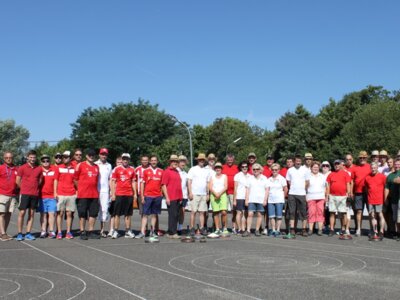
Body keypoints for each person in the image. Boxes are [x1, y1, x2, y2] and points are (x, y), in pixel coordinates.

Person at [16, 150, 43, 241]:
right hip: (24, 194)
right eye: (31, 157)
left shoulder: (39, 168)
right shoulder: (22, 168)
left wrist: (34, 188)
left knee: (31, 214)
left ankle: (28, 233)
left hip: (34, 194)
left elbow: (39, 181)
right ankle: (20, 233)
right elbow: (18, 181)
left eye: (34, 157)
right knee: (22, 213)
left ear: (36, 158)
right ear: (27, 158)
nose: (32, 159)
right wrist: (24, 188)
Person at [74, 149, 100, 240]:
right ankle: (82, 231)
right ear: (86, 156)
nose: (91, 156)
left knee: (93, 214)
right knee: (82, 213)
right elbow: (75, 179)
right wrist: (80, 188)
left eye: (93, 155)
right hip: (83, 194)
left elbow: (96, 181)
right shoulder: (80, 165)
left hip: (94, 194)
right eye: (90, 155)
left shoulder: (97, 166)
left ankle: (90, 231)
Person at [110, 153, 136, 239]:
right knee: (117, 214)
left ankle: (128, 230)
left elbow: (133, 182)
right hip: (119, 194)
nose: (125, 160)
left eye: (127, 159)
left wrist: (135, 193)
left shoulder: (132, 169)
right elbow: (113, 181)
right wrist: (113, 193)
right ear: (122, 159)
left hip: (129, 194)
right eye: (124, 159)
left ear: (129, 160)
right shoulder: (116, 169)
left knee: (128, 214)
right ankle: (116, 231)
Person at [138, 155, 163, 240]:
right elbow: (142, 184)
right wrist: (142, 196)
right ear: (150, 162)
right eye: (152, 160)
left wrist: (162, 194)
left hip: (157, 196)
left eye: (155, 160)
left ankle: (152, 231)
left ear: (157, 161)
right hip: (148, 196)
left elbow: (163, 185)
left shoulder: (161, 171)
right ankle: (142, 232)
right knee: (145, 214)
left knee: (154, 215)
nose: (153, 162)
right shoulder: (146, 171)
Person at [285, 155, 310, 237]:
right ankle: (292, 229)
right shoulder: (290, 170)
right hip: (292, 193)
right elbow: (289, 182)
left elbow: (307, 182)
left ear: (301, 161)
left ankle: (304, 229)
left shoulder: (305, 170)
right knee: (292, 212)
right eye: (296, 161)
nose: (298, 162)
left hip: (302, 194)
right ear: (294, 161)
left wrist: (303, 189)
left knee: (303, 212)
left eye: (299, 161)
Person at [326, 160, 352, 239]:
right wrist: (327, 195)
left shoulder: (345, 174)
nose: (336, 165)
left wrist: (348, 194)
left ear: (341, 165)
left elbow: (348, 184)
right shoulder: (331, 174)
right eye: (335, 164)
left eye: (338, 164)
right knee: (332, 213)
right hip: (332, 196)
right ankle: (331, 229)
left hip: (343, 196)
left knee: (343, 213)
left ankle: (343, 229)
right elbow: (328, 185)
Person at [54, 151, 77, 239]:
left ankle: (68, 232)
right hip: (60, 193)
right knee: (60, 213)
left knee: (69, 214)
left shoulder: (73, 168)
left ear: (70, 158)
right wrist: (55, 192)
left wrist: (76, 192)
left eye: (67, 157)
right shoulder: (58, 167)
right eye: (63, 157)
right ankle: (59, 232)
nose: (64, 158)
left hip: (71, 194)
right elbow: (55, 180)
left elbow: (75, 181)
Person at [188, 153, 210, 235]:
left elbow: (208, 183)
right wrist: (190, 192)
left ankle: (201, 228)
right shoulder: (193, 169)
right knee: (193, 211)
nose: (201, 161)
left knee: (202, 212)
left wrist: (208, 194)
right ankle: (191, 228)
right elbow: (189, 182)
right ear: (198, 160)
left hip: (203, 194)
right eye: (200, 159)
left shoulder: (206, 171)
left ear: (204, 161)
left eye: (203, 160)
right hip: (194, 193)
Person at [243, 163, 268, 237]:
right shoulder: (250, 178)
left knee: (260, 215)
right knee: (250, 214)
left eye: (257, 169)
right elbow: (247, 189)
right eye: (254, 169)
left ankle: (257, 230)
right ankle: (248, 230)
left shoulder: (264, 178)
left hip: (261, 200)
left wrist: (265, 200)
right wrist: (246, 199)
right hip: (251, 199)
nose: (255, 170)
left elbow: (267, 190)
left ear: (260, 170)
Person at [162, 155, 183, 239]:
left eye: (176, 161)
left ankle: (172, 231)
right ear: (170, 162)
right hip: (171, 197)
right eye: (173, 161)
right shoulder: (167, 171)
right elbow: (163, 185)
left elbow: (179, 186)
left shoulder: (177, 172)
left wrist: (181, 197)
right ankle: (172, 232)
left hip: (178, 197)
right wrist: (167, 197)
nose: (175, 163)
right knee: (172, 215)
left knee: (176, 215)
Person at [365, 162, 387, 240]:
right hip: (371, 200)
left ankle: (381, 231)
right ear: (370, 168)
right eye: (372, 168)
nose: (373, 169)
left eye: (375, 167)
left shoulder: (382, 177)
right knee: (373, 216)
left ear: (377, 167)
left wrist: (385, 199)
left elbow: (386, 188)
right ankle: (375, 231)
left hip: (380, 200)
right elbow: (367, 189)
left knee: (380, 215)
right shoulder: (367, 177)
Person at [0, 152, 18, 241]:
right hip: (2, 194)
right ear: (4, 158)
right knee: (2, 214)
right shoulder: (1, 168)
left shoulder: (16, 169)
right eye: (7, 157)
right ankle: (3, 233)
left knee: (8, 214)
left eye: (10, 157)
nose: (8, 159)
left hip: (13, 195)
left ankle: (4, 233)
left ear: (12, 158)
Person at [38, 154, 57, 238]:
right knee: (43, 214)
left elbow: (57, 182)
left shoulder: (54, 169)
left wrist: (56, 193)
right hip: (41, 196)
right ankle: (43, 231)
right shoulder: (39, 170)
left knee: (51, 213)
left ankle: (51, 231)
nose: (45, 162)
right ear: (41, 162)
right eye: (43, 161)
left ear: (50, 161)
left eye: (47, 161)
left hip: (52, 196)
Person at [353, 151, 371, 236]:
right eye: (360, 158)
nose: (362, 159)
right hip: (358, 192)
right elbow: (352, 181)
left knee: (370, 211)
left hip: (368, 193)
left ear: (366, 158)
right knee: (359, 211)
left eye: (364, 158)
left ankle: (372, 229)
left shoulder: (370, 167)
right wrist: (351, 192)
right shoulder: (355, 168)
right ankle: (359, 229)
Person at [208, 162, 228, 238]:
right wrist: (215, 193)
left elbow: (226, 186)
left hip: (222, 195)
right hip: (214, 195)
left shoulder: (224, 176)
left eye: (219, 167)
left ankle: (225, 227)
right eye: (216, 167)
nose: (218, 169)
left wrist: (219, 193)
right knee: (216, 212)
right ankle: (217, 228)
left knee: (224, 212)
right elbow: (210, 187)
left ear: (221, 169)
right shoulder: (212, 177)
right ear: (214, 169)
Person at [95, 148, 113, 237]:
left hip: (105, 191)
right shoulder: (95, 164)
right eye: (102, 154)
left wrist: (111, 191)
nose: (104, 156)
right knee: (93, 211)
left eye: (105, 154)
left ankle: (102, 230)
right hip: (95, 190)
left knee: (104, 210)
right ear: (99, 155)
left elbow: (110, 179)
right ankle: (90, 230)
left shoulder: (109, 165)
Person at [267, 163, 287, 237]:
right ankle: (273, 230)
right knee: (271, 216)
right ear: (271, 170)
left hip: (279, 200)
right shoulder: (269, 179)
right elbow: (267, 190)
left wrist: (283, 197)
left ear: (279, 170)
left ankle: (278, 230)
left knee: (279, 216)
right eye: (273, 169)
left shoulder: (282, 179)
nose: (274, 171)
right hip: (271, 200)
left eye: (276, 169)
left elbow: (285, 189)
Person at [306, 161, 327, 236]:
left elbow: (326, 187)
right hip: (311, 197)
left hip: (321, 197)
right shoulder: (307, 176)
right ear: (311, 168)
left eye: (317, 167)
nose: (315, 168)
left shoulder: (322, 176)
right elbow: (305, 187)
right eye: (314, 167)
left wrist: (326, 196)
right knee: (311, 213)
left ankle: (320, 229)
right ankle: (310, 229)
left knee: (320, 213)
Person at [221, 154, 238, 233]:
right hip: (224, 192)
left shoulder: (236, 168)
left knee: (234, 210)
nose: (230, 161)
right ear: (226, 160)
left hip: (233, 192)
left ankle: (234, 227)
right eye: (228, 160)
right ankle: (224, 227)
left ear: (233, 160)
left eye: (231, 160)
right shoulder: (222, 167)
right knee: (224, 211)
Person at [233, 161, 251, 234]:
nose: (244, 168)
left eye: (246, 166)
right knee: (239, 212)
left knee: (245, 213)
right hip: (239, 196)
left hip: (247, 197)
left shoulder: (250, 176)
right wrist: (234, 199)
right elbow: (235, 187)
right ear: (240, 167)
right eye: (243, 167)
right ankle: (239, 228)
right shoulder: (237, 175)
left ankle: (243, 228)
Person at [107, 156, 123, 237]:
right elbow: (111, 182)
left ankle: (116, 230)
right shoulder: (113, 170)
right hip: (114, 194)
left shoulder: (123, 170)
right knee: (113, 213)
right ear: (115, 163)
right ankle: (111, 229)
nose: (119, 164)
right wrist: (112, 193)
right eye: (118, 162)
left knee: (118, 213)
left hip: (121, 194)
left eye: (121, 162)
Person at [385, 159, 400, 239]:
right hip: (393, 199)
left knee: (399, 217)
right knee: (395, 217)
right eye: (396, 164)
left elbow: (398, 181)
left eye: (399, 164)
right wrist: (386, 198)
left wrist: (397, 180)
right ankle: (396, 232)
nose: (397, 166)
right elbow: (387, 188)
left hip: (399, 199)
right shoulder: (390, 175)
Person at [177, 155, 189, 234]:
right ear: (178, 163)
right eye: (181, 161)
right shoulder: (175, 171)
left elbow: (187, 185)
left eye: (184, 162)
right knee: (175, 213)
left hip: (184, 196)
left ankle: (180, 228)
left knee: (182, 212)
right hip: (176, 196)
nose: (183, 163)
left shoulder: (185, 173)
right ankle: (173, 228)